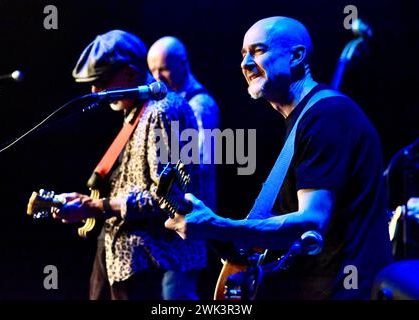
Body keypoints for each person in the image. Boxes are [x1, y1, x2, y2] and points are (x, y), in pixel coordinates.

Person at [165, 17, 393, 299]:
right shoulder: (304, 119)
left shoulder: (327, 116)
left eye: (258, 51)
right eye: (243, 54)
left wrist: (219, 226)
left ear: (296, 56)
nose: (245, 63)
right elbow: (281, 223)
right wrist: (216, 231)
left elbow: (312, 221)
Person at [52, 30, 207, 300]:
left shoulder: (163, 111)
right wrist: (88, 202)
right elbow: (136, 185)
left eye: (101, 82)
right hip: (126, 261)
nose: (95, 92)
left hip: (153, 261)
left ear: (131, 74)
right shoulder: (137, 110)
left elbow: (168, 198)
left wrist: (99, 206)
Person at [147, 36, 220, 210]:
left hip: (194, 213)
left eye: (164, 69)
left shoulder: (200, 106)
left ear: (183, 64)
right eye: (153, 70)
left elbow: (201, 167)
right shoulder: (168, 101)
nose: (158, 78)